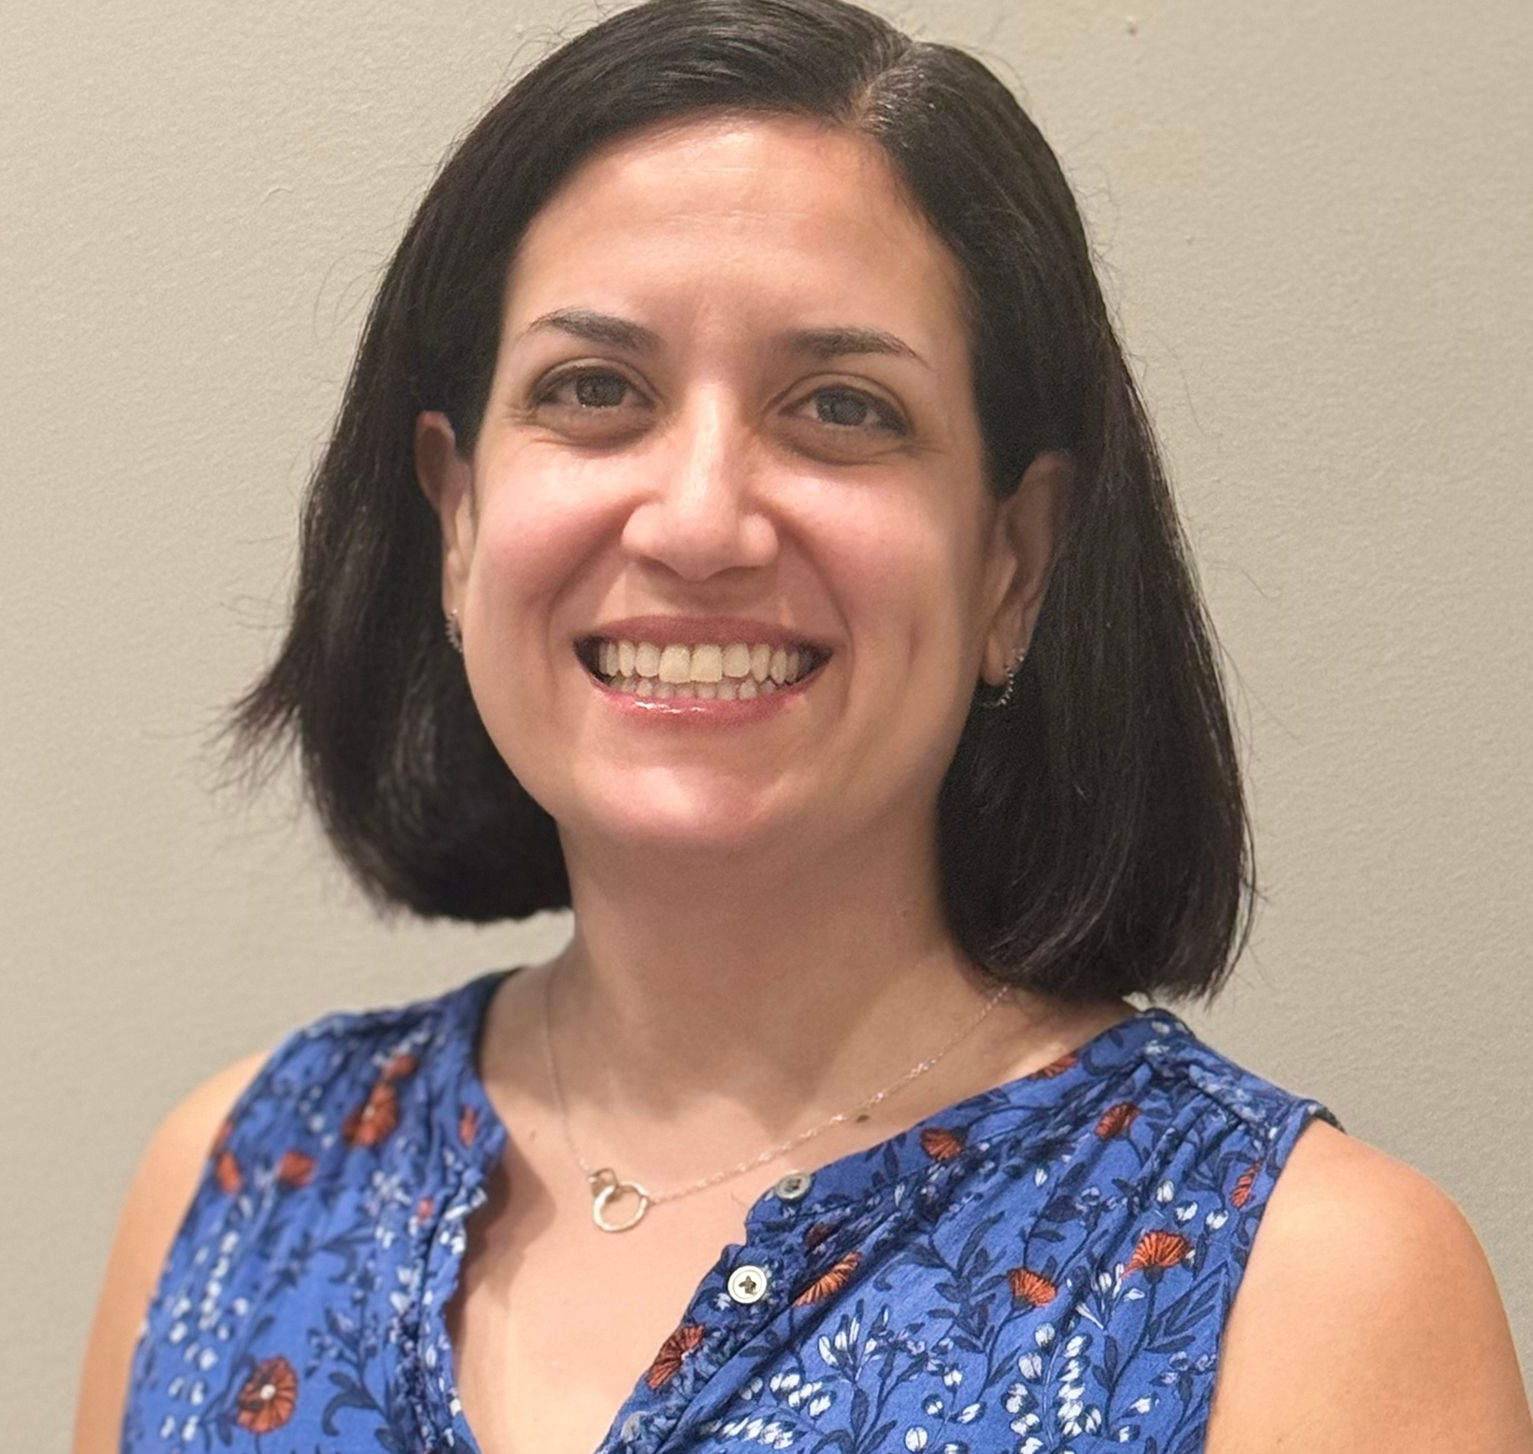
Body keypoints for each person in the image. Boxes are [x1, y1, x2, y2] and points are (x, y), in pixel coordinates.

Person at [74, 1, 1532, 1450]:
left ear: (1013, 559)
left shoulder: (1316, 1291)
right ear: (458, 520)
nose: (700, 519)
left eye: (841, 405)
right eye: (595, 390)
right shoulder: (238, 1180)